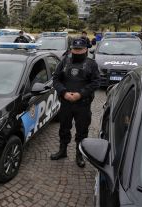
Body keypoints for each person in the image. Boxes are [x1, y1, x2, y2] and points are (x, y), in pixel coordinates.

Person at [51, 38, 100, 168]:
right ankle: (62, 151)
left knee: (82, 131)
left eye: (80, 49)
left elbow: (96, 82)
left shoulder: (91, 64)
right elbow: (56, 79)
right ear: (71, 49)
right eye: (75, 49)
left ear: (86, 50)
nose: (77, 52)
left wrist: (81, 94)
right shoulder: (64, 61)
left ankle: (79, 155)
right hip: (66, 103)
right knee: (64, 128)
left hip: (83, 104)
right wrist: (64, 92)